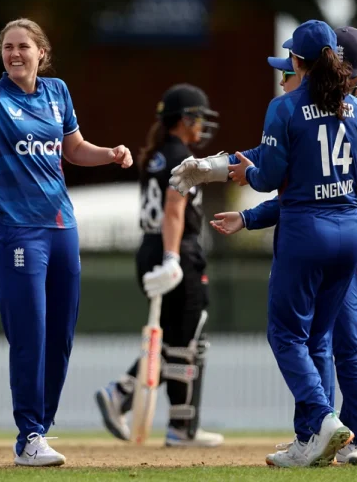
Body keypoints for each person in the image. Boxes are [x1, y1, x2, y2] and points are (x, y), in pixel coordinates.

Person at [206, 27, 357, 466]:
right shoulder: (345, 109)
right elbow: (290, 165)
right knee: (336, 337)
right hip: (349, 226)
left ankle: (355, 434)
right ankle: (327, 433)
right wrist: (218, 171)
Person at [172, 19, 357, 467]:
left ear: (297, 61)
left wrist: (243, 172)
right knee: (318, 338)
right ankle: (309, 441)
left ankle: (324, 421)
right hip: (350, 232)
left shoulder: (285, 107)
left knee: (286, 334)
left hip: (306, 231)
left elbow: (266, 177)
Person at [0, 8, 133, 466]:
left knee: (60, 335)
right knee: (30, 333)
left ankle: (41, 428)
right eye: (8, 47)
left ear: (42, 53)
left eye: (23, 46)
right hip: (16, 229)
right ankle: (29, 434)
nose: (15, 53)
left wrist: (110, 153)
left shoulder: (58, 92)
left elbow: (74, 149)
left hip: (62, 226)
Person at [93, 84, 223, 448]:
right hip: (175, 250)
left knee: (180, 340)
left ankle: (182, 426)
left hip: (148, 248)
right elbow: (173, 208)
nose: (202, 125)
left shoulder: (156, 155)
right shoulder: (181, 155)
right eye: (198, 117)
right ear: (184, 119)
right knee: (185, 342)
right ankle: (122, 392)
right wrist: (172, 257)